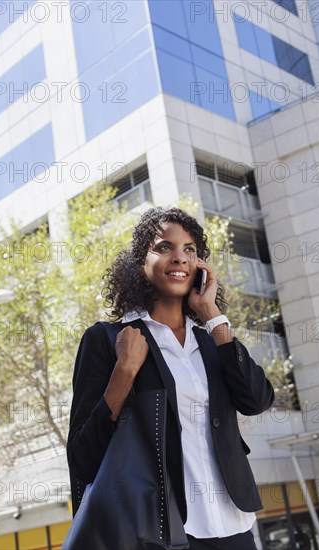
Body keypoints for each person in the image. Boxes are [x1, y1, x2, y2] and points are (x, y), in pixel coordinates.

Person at [67, 206, 275, 549]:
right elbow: (82, 457)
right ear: (139, 263)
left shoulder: (210, 340)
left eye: (189, 250)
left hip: (233, 524)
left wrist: (214, 317)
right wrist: (124, 373)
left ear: (199, 267)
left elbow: (257, 400)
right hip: (160, 529)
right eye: (164, 247)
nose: (179, 257)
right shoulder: (108, 339)